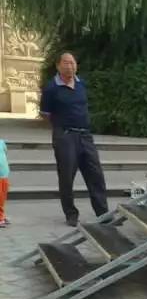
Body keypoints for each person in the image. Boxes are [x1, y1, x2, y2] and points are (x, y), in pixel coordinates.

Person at [40, 52, 109, 227]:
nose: (70, 66)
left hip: (85, 135)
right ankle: (71, 214)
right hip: (65, 136)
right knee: (66, 177)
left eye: (72, 63)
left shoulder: (81, 84)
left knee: (96, 175)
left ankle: (103, 214)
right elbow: (45, 114)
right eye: (66, 63)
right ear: (58, 66)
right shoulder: (51, 88)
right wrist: (61, 128)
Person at [0, 138, 10, 227]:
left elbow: (5, 153)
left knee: (2, 198)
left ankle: (1, 215)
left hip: (4, 175)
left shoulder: (1, 142)